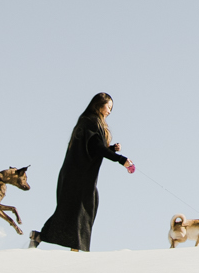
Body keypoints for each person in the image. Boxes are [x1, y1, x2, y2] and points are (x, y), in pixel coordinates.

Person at [31, 92, 130, 252]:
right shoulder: (90, 122)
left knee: (76, 211)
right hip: (77, 177)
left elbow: (93, 149)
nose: (110, 111)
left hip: (79, 176)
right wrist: (120, 159)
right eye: (108, 107)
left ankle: (44, 238)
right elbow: (95, 148)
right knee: (77, 212)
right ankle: (72, 249)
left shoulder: (91, 122)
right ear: (99, 104)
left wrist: (110, 149)